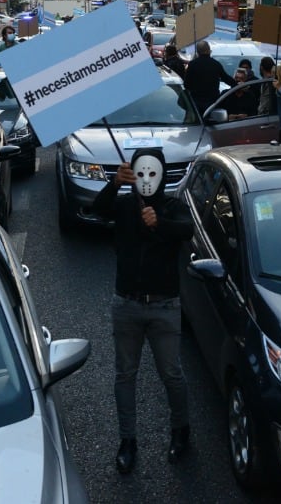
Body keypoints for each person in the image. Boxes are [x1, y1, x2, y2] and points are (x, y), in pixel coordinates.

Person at [93, 148, 192, 475]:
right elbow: (97, 211)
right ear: (131, 176)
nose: (146, 181)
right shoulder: (123, 206)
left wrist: (159, 223)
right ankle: (127, 441)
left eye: (153, 174)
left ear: (162, 175)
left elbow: (186, 229)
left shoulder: (173, 206)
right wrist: (112, 184)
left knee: (171, 373)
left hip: (164, 306)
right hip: (127, 305)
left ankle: (181, 431)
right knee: (125, 375)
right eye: (140, 174)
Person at [182, 39, 235, 115]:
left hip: (196, 102)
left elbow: (186, 84)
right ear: (209, 51)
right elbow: (226, 78)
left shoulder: (192, 65)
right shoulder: (215, 64)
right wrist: (238, 85)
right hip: (212, 102)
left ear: (198, 52)